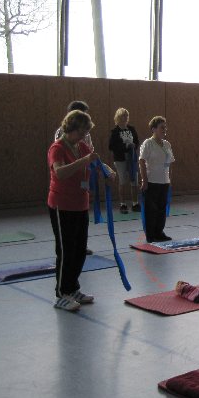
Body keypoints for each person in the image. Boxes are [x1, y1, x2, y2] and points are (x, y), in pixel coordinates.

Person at [48, 110, 115, 311]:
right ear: (72, 128)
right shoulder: (57, 148)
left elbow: (94, 162)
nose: (85, 135)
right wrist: (83, 161)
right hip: (62, 205)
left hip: (80, 204)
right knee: (66, 251)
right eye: (82, 131)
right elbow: (60, 172)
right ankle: (61, 294)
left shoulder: (81, 146)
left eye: (86, 132)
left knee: (79, 250)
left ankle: (73, 288)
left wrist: (107, 171)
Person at [55, 100, 95, 255]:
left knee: (81, 218)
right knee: (68, 225)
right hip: (67, 185)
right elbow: (61, 162)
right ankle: (69, 250)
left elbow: (90, 152)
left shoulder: (86, 135)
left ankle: (80, 245)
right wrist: (82, 161)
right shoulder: (61, 135)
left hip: (82, 179)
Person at [139, 116, 175, 243]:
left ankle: (159, 232)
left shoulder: (167, 144)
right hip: (152, 181)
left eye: (165, 127)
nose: (164, 130)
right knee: (151, 210)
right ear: (154, 129)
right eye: (162, 127)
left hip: (164, 182)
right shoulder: (148, 144)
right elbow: (142, 162)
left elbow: (170, 163)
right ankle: (150, 235)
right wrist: (144, 180)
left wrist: (170, 180)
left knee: (161, 209)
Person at [108, 108, 140, 214]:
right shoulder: (115, 131)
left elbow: (137, 141)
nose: (125, 117)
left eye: (126, 115)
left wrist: (133, 145)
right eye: (123, 115)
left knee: (134, 180)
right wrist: (125, 146)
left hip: (132, 158)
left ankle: (135, 203)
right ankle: (123, 204)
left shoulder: (132, 129)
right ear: (118, 117)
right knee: (122, 181)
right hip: (120, 159)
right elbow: (111, 146)